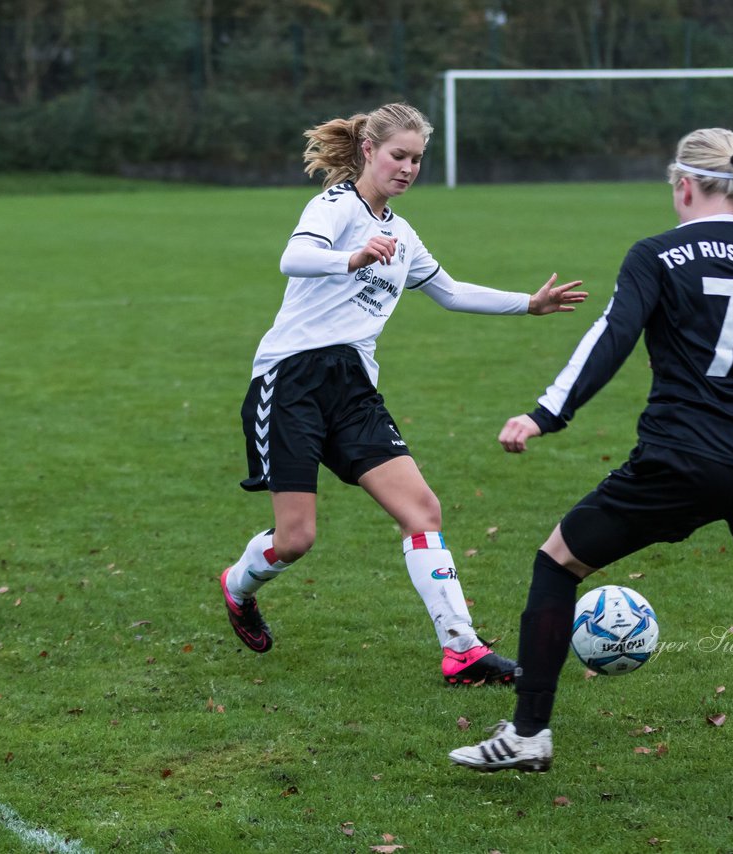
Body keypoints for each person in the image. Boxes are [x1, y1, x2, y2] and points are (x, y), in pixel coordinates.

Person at [449, 128, 733, 775]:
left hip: (686, 456)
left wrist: (545, 414)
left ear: (683, 185)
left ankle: (527, 734)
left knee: (558, 562)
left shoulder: (657, 254)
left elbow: (610, 338)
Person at [219, 103, 589, 686]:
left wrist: (529, 303)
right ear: (368, 150)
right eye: (399, 155)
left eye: (417, 159)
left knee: (422, 511)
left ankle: (462, 650)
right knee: (296, 539)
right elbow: (293, 256)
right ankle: (238, 587)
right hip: (290, 380)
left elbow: (451, 291)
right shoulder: (335, 205)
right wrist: (353, 257)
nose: (409, 168)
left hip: (354, 388)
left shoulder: (402, 233)